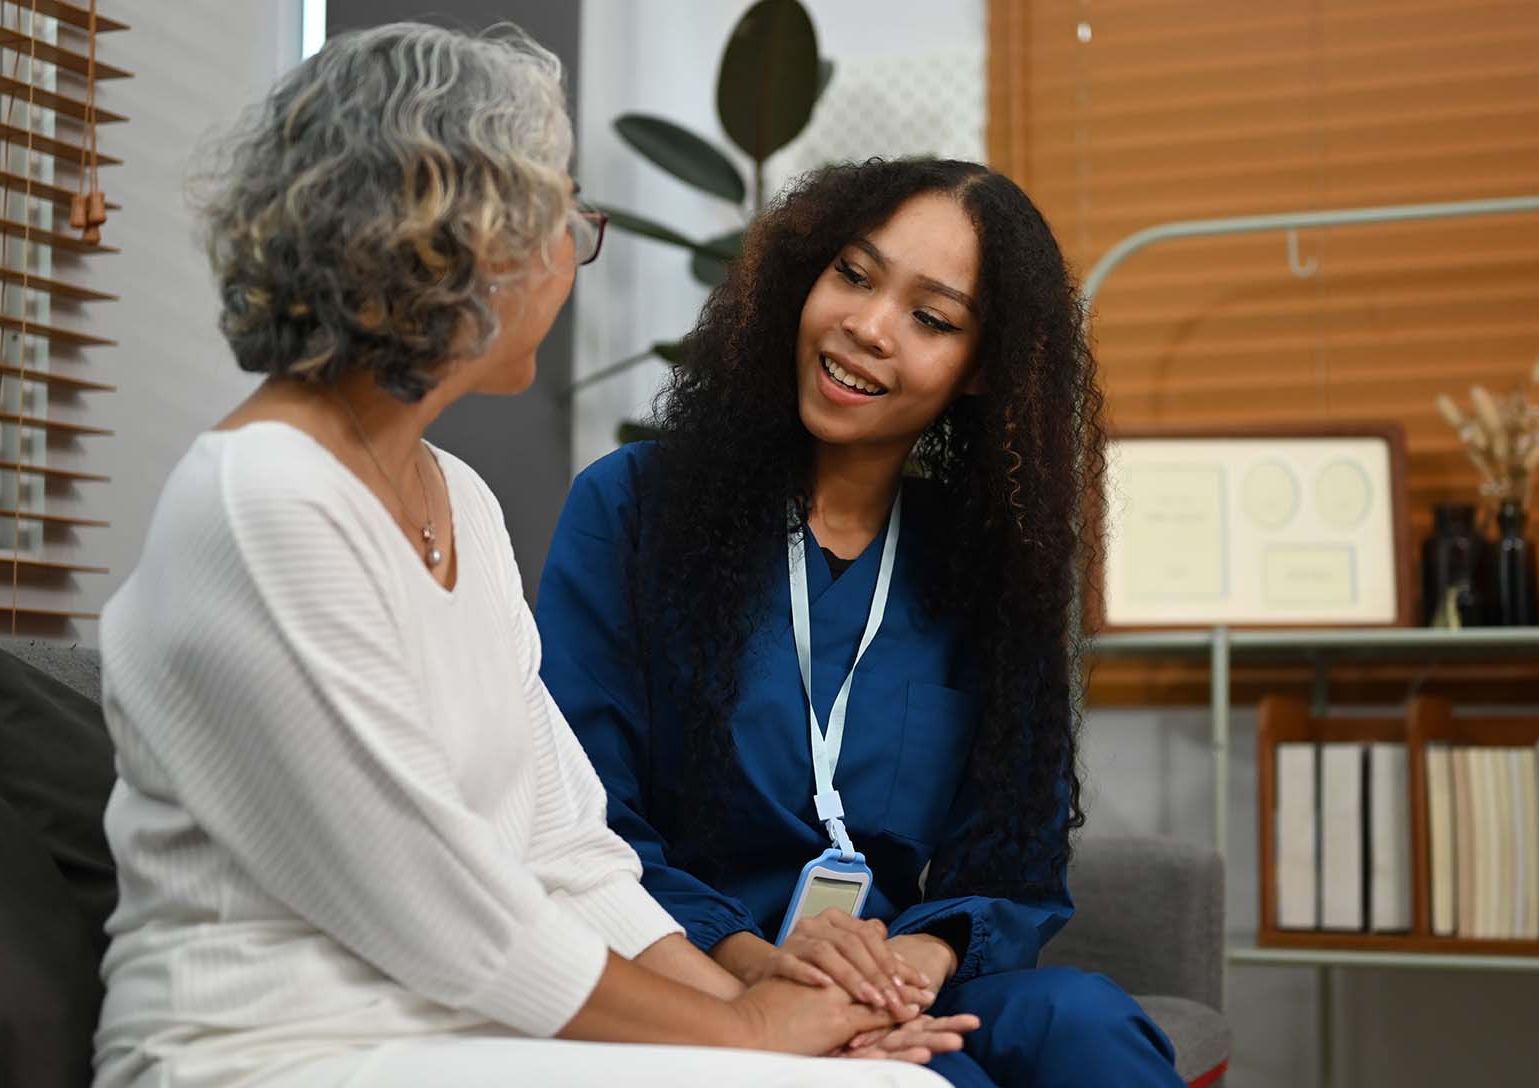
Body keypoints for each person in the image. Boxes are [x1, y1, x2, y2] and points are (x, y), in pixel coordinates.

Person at [93, 25, 970, 1088]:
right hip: (270, 1048)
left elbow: (568, 847)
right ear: (453, 238)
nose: (576, 246)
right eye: (564, 215)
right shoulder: (263, 499)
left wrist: (769, 1009)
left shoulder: (454, 493)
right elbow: (444, 909)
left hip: (454, 1030)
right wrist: (748, 1036)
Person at [535, 158, 1182, 1088]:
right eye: (853, 275)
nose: (868, 328)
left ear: (979, 368)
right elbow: (580, 815)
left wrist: (918, 964)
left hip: (896, 979)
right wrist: (765, 980)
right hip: (697, 977)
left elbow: (1017, 862)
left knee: (1084, 1024)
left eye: (931, 318)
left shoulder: (985, 567)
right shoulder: (633, 510)